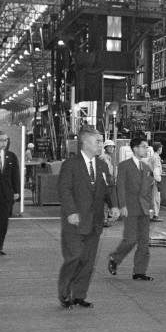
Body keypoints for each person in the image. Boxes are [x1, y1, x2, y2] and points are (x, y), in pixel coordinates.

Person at [58, 128, 119, 309]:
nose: (101, 144)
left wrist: (114, 205)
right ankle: (64, 293)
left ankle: (79, 295)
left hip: (95, 222)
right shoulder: (71, 164)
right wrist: (71, 212)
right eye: (98, 141)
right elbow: (64, 189)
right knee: (74, 257)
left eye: (101, 141)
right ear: (85, 143)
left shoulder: (101, 165)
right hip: (75, 221)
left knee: (88, 261)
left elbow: (109, 187)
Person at [107, 138, 155, 281]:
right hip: (130, 207)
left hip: (144, 209)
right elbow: (119, 187)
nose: (146, 150)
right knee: (130, 239)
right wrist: (122, 206)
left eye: (147, 147)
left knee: (144, 242)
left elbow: (149, 190)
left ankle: (139, 271)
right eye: (144, 147)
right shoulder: (124, 166)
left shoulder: (147, 168)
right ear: (135, 148)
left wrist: (151, 208)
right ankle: (115, 258)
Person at [149, 142, 163, 222]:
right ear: (159, 149)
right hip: (155, 180)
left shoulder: (152, 157)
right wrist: (159, 180)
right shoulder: (156, 158)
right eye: (161, 148)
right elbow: (156, 171)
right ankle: (155, 215)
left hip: (151, 179)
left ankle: (152, 214)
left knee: (153, 198)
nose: (161, 149)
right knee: (156, 198)